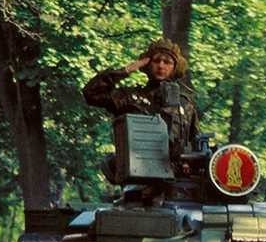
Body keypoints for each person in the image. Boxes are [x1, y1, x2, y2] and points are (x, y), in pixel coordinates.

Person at [83, 38, 201, 169]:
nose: (161, 66)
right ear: (148, 64)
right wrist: (126, 70)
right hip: (137, 172)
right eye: (156, 60)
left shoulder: (184, 105)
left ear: (175, 68)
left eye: (167, 62)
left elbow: (197, 142)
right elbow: (91, 93)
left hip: (175, 174)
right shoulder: (131, 98)